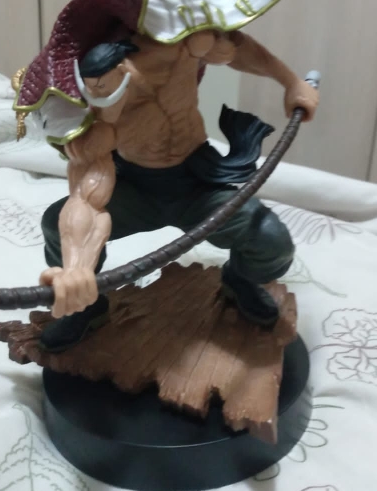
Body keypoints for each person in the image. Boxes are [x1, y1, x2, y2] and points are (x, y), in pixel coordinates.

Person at [39, 28, 319, 352]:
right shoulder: (101, 81)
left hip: (196, 183)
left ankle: (240, 280)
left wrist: (291, 82)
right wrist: (76, 268)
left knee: (271, 240)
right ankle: (84, 307)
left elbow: (235, 48)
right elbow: (86, 199)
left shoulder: (188, 41)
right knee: (55, 224)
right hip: (134, 189)